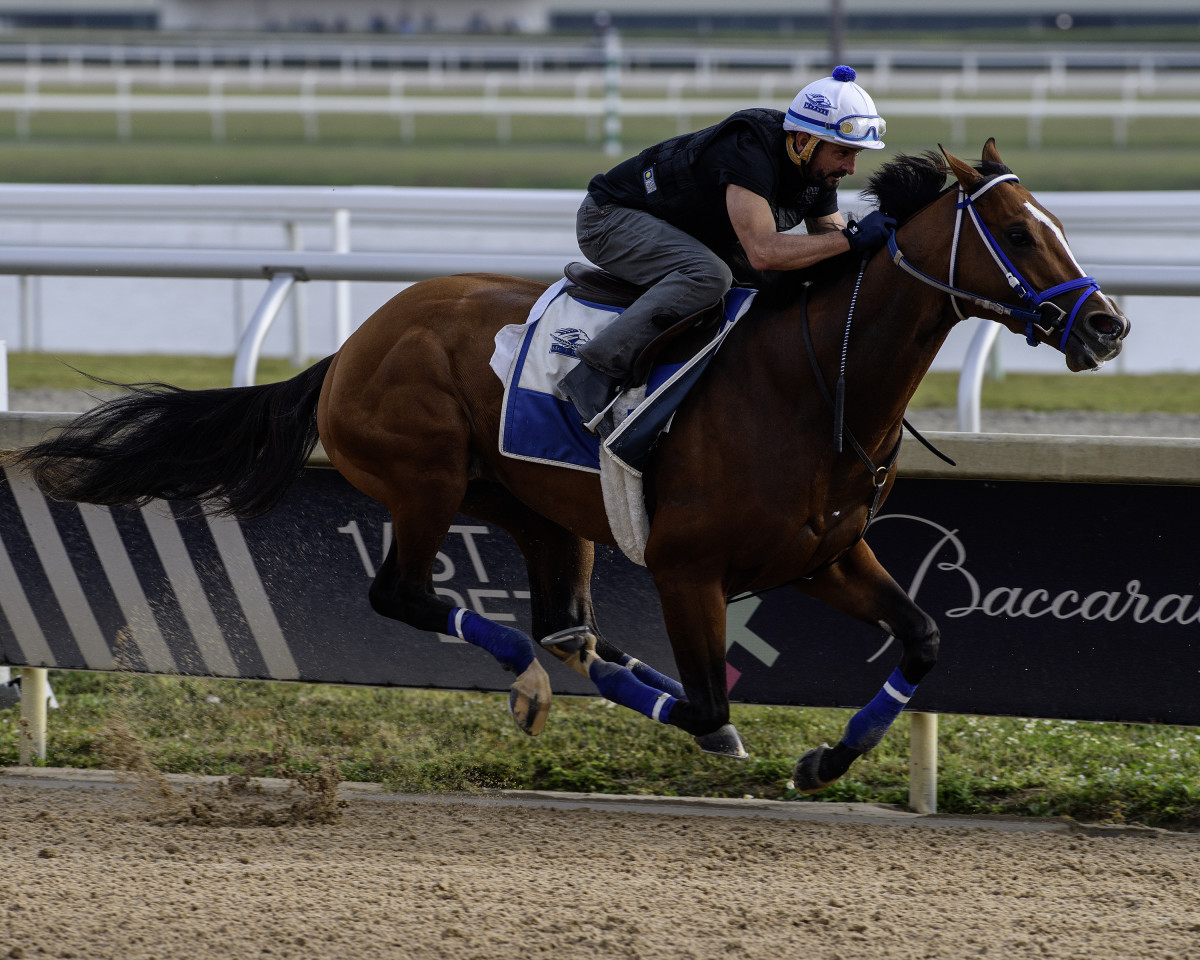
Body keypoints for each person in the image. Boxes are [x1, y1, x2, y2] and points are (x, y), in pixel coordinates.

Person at [558, 64, 896, 434]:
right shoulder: (747, 150)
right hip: (609, 219)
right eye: (844, 153)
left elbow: (831, 244)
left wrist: (875, 245)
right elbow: (764, 251)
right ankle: (594, 371)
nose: (850, 168)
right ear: (804, 142)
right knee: (709, 276)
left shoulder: (816, 170)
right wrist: (850, 237)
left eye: (856, 155)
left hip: (681, 230)